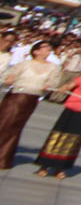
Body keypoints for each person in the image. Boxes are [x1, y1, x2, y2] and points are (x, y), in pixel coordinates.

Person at [33, 55, 81, 178]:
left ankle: (61, 168)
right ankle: (44, 165)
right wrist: (63, 88)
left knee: (74, 139)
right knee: (58, 135)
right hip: (72, 109)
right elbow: (70, 85)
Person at [0, 39, 63, 169]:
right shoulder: (25, 64)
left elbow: (53, 82)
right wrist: (10, 79)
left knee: (15, 127)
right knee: (4, 123)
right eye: (44, 47)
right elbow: (10, 76)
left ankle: (4, 157)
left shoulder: (53, 67)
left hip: (31, 99)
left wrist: (48, 85)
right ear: (36, 51)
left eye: (48, 48)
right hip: (16, 96)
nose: (47, 50)